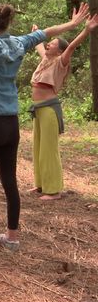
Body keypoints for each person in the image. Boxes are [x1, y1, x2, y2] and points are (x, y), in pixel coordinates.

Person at [0, 0, 89, 262]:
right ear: (7, 23)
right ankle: (11, 237)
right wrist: (73, 24)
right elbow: (47, 33)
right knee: (10, 181)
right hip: (11, 125)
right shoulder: (19, 43)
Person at [29, 14, 98, 200]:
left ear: (59, 51)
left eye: (52, 43)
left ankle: (54, 190)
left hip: (50, 109)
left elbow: (73, 45)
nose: (49, 44)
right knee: (38, 147)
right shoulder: (45, 59)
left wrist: (86, 29)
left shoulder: (61, 62)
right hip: (38, 109)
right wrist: (36, 33)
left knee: (49, 149)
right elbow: (39, 46)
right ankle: (42, 184)